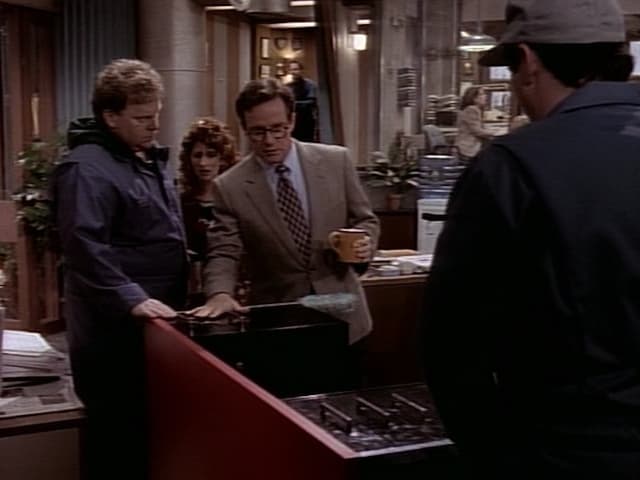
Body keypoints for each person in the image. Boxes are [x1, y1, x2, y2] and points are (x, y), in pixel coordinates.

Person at [421, 0, 639, 478]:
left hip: (564, 451)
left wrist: (495, 459)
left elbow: (451, 343)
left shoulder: (510, 169)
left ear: (528, 61)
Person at [52, 59, 188, 480]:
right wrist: (131, 297)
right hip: (113, 331)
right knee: (116, 437)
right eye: (142, 118)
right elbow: (84, 247)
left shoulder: (141, 156)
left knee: (148, 431)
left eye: (156, 115)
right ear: (111, 117)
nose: (154, 126)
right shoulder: (87, 168)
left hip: (153, 322)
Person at [191, 78, 379, 348]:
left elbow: (365, 220)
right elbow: (224, 251)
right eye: (258, 132)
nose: (269, 141)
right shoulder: (230, 186)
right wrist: (219, 293)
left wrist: (365, 243)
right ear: (244, 128)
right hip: (280, 321)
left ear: (292, 121)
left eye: (278, 129)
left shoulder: (335, 161)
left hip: (346, 316)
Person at [178, 117, 238, 306]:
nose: (203, 163)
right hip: (188, 292)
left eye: (211, 155)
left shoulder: (236, 201)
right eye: (197, 155)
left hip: (231, 290)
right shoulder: (180, 203)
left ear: (223, 158)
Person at [454, 86, 494, 161]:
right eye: (482, 94)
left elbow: (480, 127)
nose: (485, 96)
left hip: (470, 147)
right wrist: (496, 133)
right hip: (468, 149)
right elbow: (478, 131)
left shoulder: (473, 109)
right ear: (474, 98)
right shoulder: (472, 109)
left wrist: (491, 132)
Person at [286, 61, 318, 142]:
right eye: (291, 70)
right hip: (293, 120)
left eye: (296, 69)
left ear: (301, 70)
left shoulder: (310, 85)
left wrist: (293, 104)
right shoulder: (288, 87)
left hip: (306, 120)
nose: (294, 72)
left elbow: (311, 102)